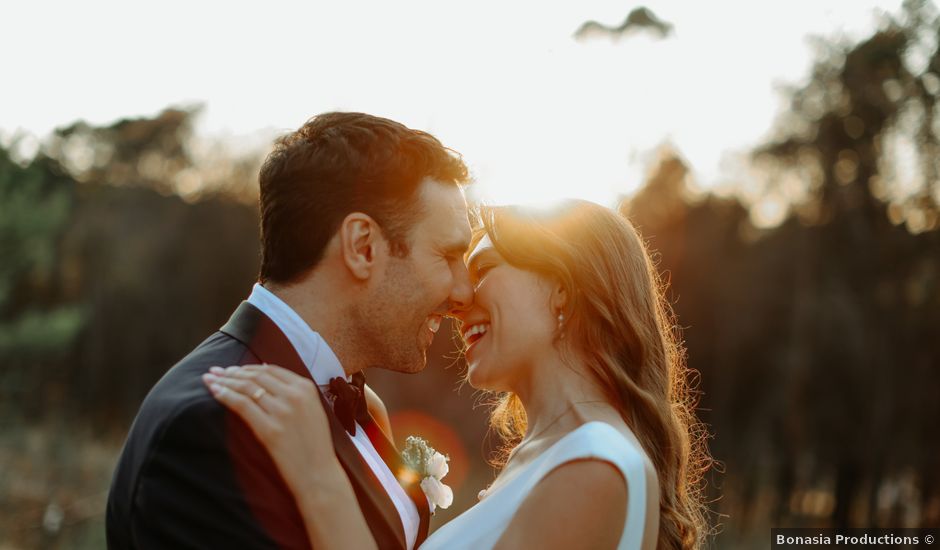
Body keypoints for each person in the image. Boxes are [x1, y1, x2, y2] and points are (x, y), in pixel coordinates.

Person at [205, 200, 712, 549]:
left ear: (563, 291)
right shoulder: (549, 456)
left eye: (486, 267)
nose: (460, 298)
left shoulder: (593, 468)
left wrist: (319, 478)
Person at [106, 112, 474, 549]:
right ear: (362, 247)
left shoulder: (355, 401)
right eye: (448, 256)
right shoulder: (210, 427)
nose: (464, 292)